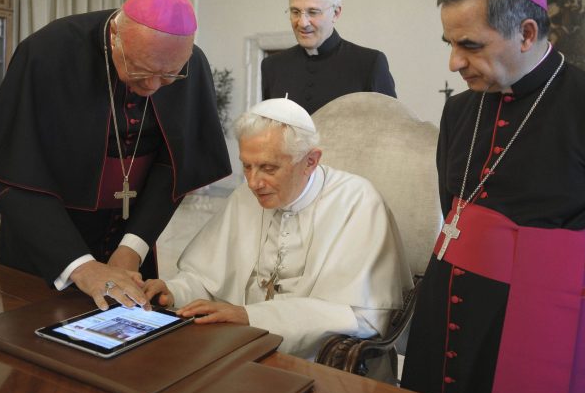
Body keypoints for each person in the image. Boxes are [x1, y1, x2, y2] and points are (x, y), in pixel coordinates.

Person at [401, 0, 585, 393]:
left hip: (555, 319)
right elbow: (455, 209)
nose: (454, 62)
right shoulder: (460, 110)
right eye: (450, 43)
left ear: (525, 34)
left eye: (469, 45)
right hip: (448, 311)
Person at [0, 0, 231, 311]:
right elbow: (18, 173)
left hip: (130, 234)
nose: (152, 86)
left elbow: (173, 168)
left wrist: (132, 247)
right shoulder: (48, 52)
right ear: (116, 36)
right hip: (47, 243)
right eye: (140, 70)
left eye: (168, 77)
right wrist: (81, 266)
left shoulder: (190, 64)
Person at [143, 97, 410, 360]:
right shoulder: (245, 197)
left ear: (310, 161)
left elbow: (362, 318)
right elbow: (207, 278)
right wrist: (174, 291)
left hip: (316, 365)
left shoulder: (357, 201)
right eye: (247, 166)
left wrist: (251, 316)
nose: (253, 183)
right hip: (239, 348)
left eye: (268, 168)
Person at [261, 0, 396, 114]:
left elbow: (391, 125)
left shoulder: (369, 64)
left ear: (336, 13)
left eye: (313, 12)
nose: (302, 23)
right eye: (295, 12)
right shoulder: (273, 66)